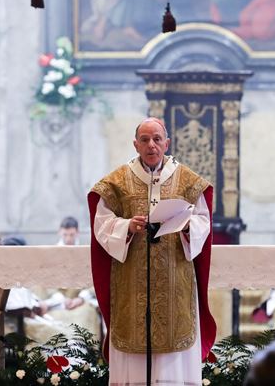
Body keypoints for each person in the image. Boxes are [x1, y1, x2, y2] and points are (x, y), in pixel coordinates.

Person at [88, 117, 215, 384]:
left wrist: (187, 226)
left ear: (167, 143)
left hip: (174, 279)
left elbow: (203, 218)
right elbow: (102, 223)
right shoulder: (117, 181)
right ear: (135, 144)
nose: (151, 145)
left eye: (157, 139)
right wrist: (126, 227)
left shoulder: (188, 180)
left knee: (173, 351)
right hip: (131, 282)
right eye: (145, 139)